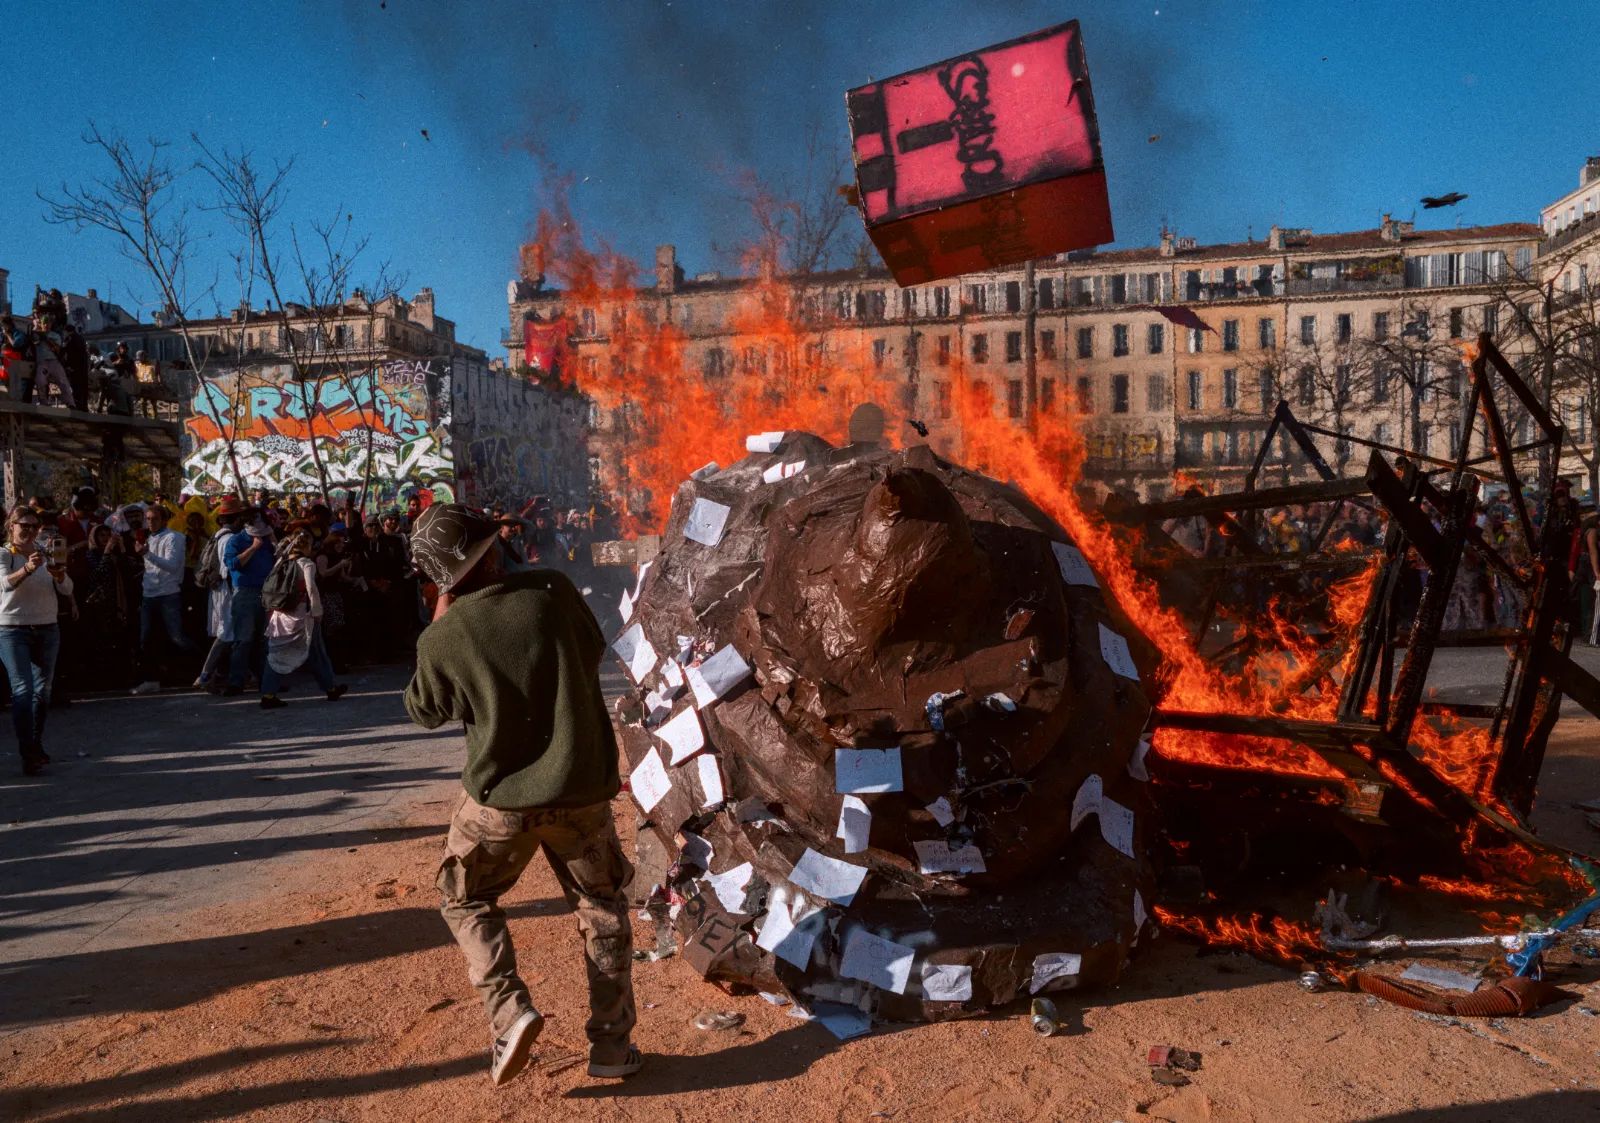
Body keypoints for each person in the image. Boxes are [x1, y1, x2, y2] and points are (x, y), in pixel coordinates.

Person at [403, 504, 642, 1086]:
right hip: (581, 790)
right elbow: (593, 650)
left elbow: (426, 711)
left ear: (440, 578)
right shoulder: (554, 592)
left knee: (464, 899)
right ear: (491, 552)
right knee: (602, 907)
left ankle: (510, 1013)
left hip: (499, 803)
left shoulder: (444, 637)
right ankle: (611, 1048)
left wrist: (442, 619)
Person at [0, 507, 74, 775]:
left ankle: (34, 745)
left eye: (35, 526)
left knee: (42, 693)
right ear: (12, 526)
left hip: (47, 628)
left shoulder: (45, 551)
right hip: (12, 630)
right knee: (22, 691)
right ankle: (28, 751)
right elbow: (5, 585)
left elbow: (66, 588)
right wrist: (28, 569)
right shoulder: (4, 554)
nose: (31, 531)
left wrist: (60, 575)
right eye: (25, 525)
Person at [259, 527, 347, 709]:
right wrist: (317, 612)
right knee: (317, 651)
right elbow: (311, 589)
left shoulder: (281, 562)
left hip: (280, 616)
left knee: (276, 654)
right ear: (307, 546)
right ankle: (330, 687)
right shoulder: (307, 563)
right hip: (301, 616)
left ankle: (268, 693)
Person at [130, 505, 197, 694]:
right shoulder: (147, 538)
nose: (150, 522)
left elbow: (172, 566)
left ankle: (208, 668)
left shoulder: (174, 538)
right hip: (149, 593)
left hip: (168, 593)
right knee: (146, 639)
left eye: (155, 519)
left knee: (177, 637)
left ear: (164, 520)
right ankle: (151, 679)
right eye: (148, 518)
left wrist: (147, 554)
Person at [195, 497, 249, 691]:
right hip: (227, 592)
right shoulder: (229, 539)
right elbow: (228, 570)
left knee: (228, 633)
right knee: (226, 634)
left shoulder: (217, 535)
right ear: (236, 519)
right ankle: (205, 675)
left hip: (219, 592)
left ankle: (219, 675)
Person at [223, 512, 276, 694]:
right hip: (245, 593)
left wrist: (274, 541)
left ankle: (266, 681)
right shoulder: (236, 540)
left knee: (263, 641)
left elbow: (279, 560)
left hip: (265, 592)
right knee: (244, 639)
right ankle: (236, 681)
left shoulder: (267, 540)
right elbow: (231, 564)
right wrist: (253, 548)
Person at [80, 523, 133, 689]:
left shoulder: (116, 554)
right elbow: (98, 573)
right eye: (101, 536)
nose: (105, 539)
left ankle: (119, 677)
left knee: (118, 639)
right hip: (99, 604)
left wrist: (122, 547)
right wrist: (107, 552)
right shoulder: (90, 555)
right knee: (100, 641)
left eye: (107, 535)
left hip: (116, 602)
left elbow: (129, 569)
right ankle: (101, 680)